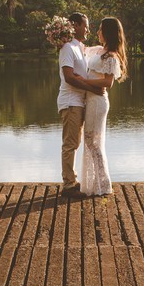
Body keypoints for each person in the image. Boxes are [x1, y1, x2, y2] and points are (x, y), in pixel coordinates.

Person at [57, 13, 105, 197]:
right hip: (70, 102)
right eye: (85, 25)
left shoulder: (80, 47)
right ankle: (68, 185)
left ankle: (72, 179)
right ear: (75, 25)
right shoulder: (67, 48)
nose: (88, 29)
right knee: (70, 143)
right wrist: (91, 88)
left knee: (75, 142)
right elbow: (69, 77)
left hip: (80, 102)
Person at [79, 17, 128, 197]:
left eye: (100, 29)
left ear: (107, 32)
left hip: (98, 102)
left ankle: (103, 183)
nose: (97, 32)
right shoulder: (99, 50)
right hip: (91, 99)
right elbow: (81, 49)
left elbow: (107, 83)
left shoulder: (111, 56)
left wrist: (84, 81)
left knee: (94, 141)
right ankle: (95, 183)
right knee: (90, 141)